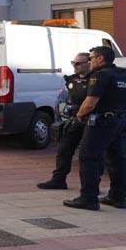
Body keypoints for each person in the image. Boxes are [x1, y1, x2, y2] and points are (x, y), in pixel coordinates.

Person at [63, 46, 126, 210]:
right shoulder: (125, 75)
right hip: (120, 120)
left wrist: (79, 116)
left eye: (92, 58)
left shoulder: (101, 75)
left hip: (101, 122)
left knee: (88, 157)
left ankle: (88, 198)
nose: (90, 61)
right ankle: (118, 197)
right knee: (117, 158)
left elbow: (90, 102)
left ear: (100, 58)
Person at [37, 52, 92, 190]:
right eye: (73, 63)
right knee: (64, 150)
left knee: (90, 154)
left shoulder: (96, 79)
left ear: (89, 63)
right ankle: (59, 180)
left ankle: (92, 186)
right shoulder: (71, 80)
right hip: (74, 120)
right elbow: (62, 98)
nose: (75, 66)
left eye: (78, 63)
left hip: (91, 121)